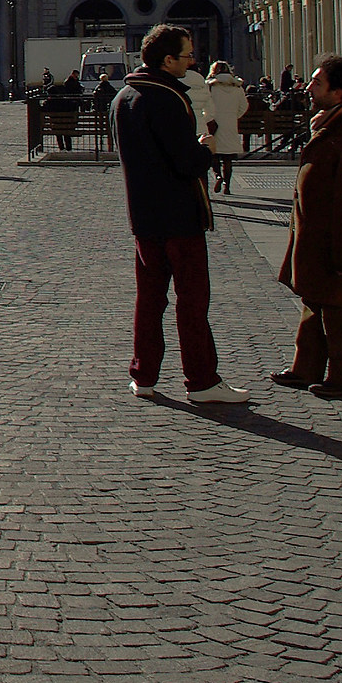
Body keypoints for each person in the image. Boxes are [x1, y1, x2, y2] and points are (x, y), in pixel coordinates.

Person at [112, 24, 247, 403]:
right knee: (192, 299)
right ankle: (202, 380)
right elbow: (186, 163)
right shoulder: (168, 98)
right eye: (187, 55)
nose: (192, 61)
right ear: (167, 60)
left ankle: (144, 374)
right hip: (179, 215)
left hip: (143, 215)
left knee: (149, 298)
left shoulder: (124, 96)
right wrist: (205, 149)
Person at [272, 55, 342, 399]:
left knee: (341, 310)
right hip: (317, 239)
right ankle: (305, 368)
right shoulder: (332, 125)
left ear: (338, 93)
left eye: (317, 83)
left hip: (338, 242)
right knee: (315, 303)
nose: (307, 87)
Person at [204, 60, 250, 194]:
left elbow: (206, 104)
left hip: (214, 123)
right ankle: (227, 186)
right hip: (230, 123)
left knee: (214, 153)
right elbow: (244, 106)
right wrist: (234, 115)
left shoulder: (211, 86)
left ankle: (217, 175)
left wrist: (208, 117)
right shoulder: (237, 87)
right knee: (228, 157)